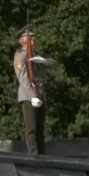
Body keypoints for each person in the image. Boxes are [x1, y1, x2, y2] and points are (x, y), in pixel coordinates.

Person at [14, 26, 56, 154]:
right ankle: (33, 154)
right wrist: (32, 96)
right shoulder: (20, 56)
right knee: (31, 128)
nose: (33, 39)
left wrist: (44, 61)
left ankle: (42, 154)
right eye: (30, 37)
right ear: (23, 41)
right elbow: (23, 78)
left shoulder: (37, 55)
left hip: (40, 94)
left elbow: (54, 63)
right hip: (28, 96)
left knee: (40, 129)